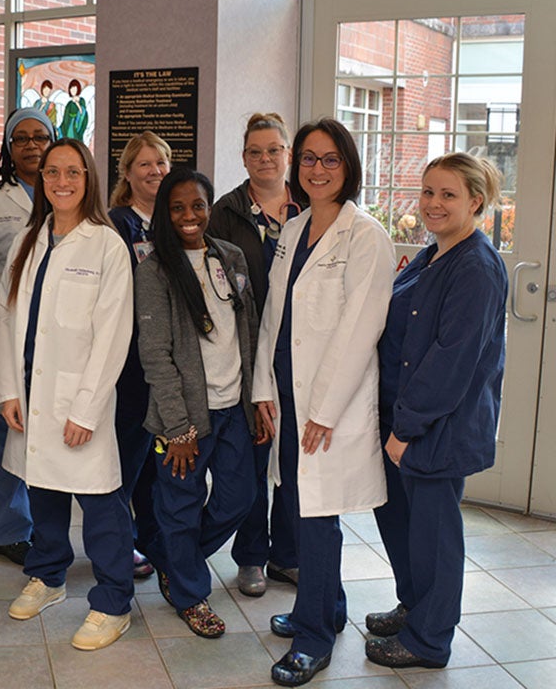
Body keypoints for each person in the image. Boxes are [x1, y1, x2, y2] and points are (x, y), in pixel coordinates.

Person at [252, 118, 395, 686]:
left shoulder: (367, 236)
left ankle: (314, 638)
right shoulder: (294, 227)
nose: (317, 169)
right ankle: (327, 608)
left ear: (348, 166)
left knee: (317, 520)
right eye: (308, 158)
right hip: (286, 397)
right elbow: (272, 316)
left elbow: (361, 330)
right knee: (294, 505)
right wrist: (264, 388)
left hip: (326, 408)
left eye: (330, 159)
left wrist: (324, 412)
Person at [366, 153, 508, 670]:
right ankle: (414, 607)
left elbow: (451, 361)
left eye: (448, 195)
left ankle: (429, 640)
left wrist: (406, 427)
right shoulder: (434, 255)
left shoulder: (477, 267)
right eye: (427, 192)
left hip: (436, 427)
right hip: (406, 417)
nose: (433, 204)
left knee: (435, 537)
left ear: (476, 201)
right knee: (404, 525)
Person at [0, 138, 135, 651]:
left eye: (73, 172)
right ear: (42, 179)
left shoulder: (106, 244)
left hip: (80, 400)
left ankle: (114, 602)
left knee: (100, 505)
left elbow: (114, 333)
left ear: (89, 178)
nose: (62, 182)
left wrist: (87, 408)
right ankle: (48, 576)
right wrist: (8, 388)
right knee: (43, 491)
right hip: (30, 395)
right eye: (52, 172)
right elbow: (5, 318)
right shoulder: (29, 238)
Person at [135, 167, 259, 638]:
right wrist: (179, 429)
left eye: (199, 205)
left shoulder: (230, 257)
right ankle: (189, 592)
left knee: (238, 498)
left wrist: (252, 405)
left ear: (211, 207)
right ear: (166, 213)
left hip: (232, 410)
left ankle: (172, 559)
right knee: (180, 507)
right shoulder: (155, 271)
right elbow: (156, 355)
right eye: (179, 207)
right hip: (184, 418)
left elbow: (245, 334)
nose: (190, 215)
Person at [208, 112, 301, 597]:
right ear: (243, 157)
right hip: (248, 353)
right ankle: (251, 557)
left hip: (302, 351)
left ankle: (289, 555)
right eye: (255, 151)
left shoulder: (312, 205)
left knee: (295, 457)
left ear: (287, 153)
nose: (265, 159)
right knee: (254, 454)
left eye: (274, 149)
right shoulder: (224, 212)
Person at [0, 108, 56, 564]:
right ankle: (7, 530)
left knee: (48, 436)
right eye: (20, 138)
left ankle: (49, 526)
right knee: (5, 433)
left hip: (55, 339)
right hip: (4, 337)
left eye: (39, 136)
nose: (30, 145)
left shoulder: (68, 193)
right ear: (8, 147)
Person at [108, 131, 172, 580]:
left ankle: (152, 538)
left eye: (162, 163)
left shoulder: (175, 218)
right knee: (127, 456)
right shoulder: (117, 223)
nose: (155, 172)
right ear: (127, 172)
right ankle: (118, 543)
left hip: (165, 359)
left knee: (157, 458)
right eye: (145, 164)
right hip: (130, 361)